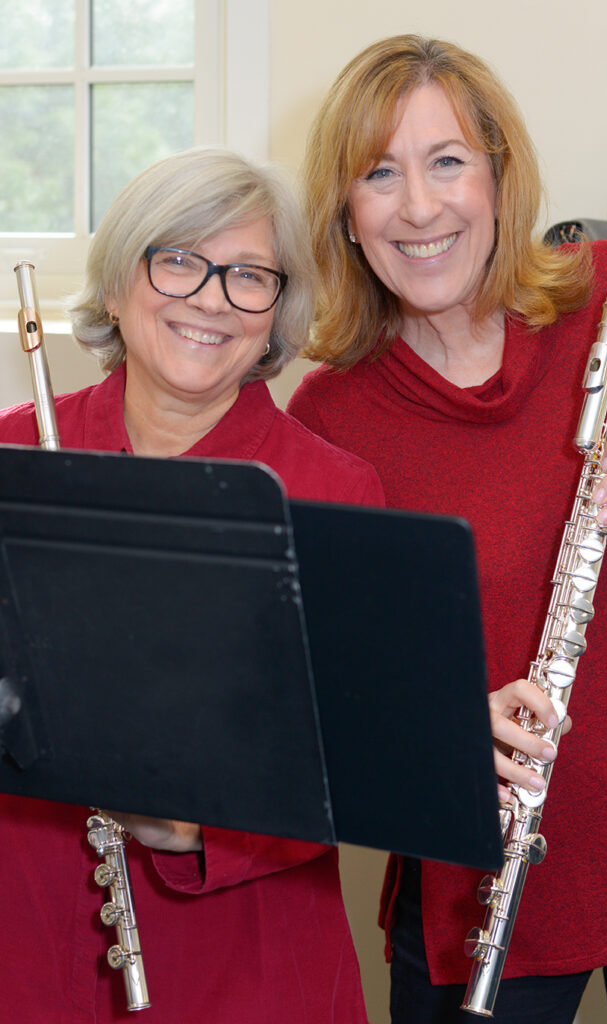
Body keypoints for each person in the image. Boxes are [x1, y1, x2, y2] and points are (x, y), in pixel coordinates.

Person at [287, 35, 607, 1024]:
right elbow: (320, 704)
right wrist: (441, 729)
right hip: (479, 895)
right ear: (343, 210)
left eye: (446, 161)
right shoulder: (326, 420)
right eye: (377, 173)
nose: (418, 207)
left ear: (500, 178)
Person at [0, 147, 383, 1023]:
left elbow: (350, 768)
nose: (211, 296)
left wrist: (194, 831)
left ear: (275, 313)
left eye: (249, 275)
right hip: (25, 945)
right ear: (114, 286)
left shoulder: (333, 492)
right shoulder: (13, 460)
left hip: (243, 963)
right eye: (176, 260)